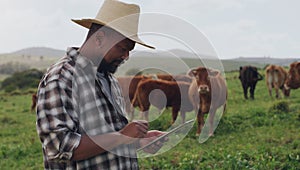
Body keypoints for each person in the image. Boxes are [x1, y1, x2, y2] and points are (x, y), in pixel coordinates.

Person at [35, 0, 166, 169]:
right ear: (99, 39)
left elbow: (109, 138)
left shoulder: (110, 79)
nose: (126, 56)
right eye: (122, 48)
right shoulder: (62, 78)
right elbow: (59, 148)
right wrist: (122, 136)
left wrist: (138, 142)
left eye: (129, 50)